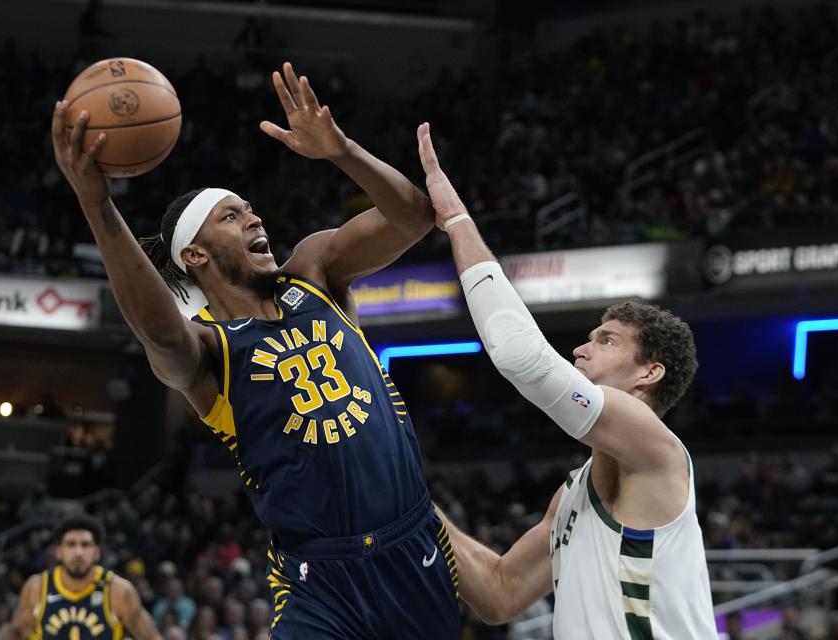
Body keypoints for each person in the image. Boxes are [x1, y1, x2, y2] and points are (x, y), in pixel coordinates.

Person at [51, 62, 460, 639]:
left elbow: (414, 217)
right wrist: (99, 205)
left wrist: (341, 149)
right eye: (232, 215)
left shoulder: (314, 272)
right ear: (196, 255)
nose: (254, 216)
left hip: (412, 548)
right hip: (320, 582)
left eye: (249, 208)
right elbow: (160, 332)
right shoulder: (207, 352)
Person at [416, 122, 716, 639]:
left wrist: (458, 221)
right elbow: (499, 592)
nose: (581, 347)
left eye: (606, 340)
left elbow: (522, 357)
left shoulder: (655, 448)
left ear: (650, 372)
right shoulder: (572, 492)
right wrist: (405, 495)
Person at [8, 515, 160, 639]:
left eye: (85, 545)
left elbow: (151, 637)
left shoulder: (119, 591)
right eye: (71, 544)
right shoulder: (37, 588)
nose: (78, 552)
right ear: (59, 551)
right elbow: (15, 632)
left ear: (97, 552)